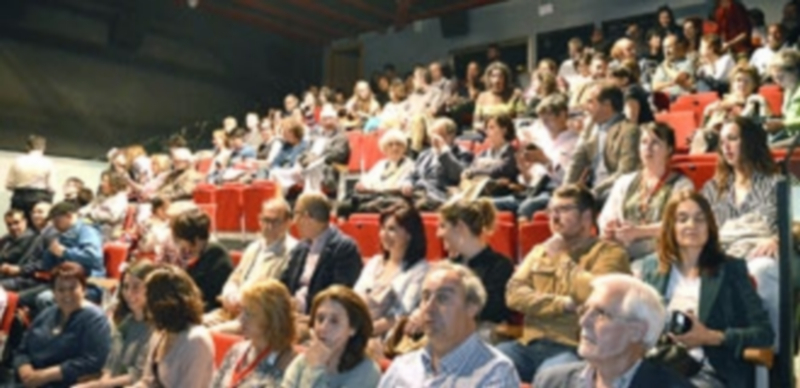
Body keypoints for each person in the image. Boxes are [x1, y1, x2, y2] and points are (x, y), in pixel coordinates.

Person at [639, 191, 774, 388]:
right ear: (670, 226)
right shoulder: (652, 267)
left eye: (699, 219)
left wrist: (710, 337)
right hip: (658, 365)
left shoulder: (730, 270)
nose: (691, 226)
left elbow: (764, 333)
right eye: (682, 219)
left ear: (709, 226)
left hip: (709, 372)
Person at [499, 185, 630, 383]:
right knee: (485, 363)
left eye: (564, 210)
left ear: (586, 216)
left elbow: (595, 294)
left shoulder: (610, 253)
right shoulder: (540, 251)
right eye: (551, 210)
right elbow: (513, 294)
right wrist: (563, 304)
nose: (554, 217)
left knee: (551, 377)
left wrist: (561, 259)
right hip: (528, 345)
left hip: (574, 347)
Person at [533, 274, 693, 388]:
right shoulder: (550, 381)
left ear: (636, 331)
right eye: (584, 310)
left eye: (601, 314)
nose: (583, 321)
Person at [701, 117, 780, 344]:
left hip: (770, 253)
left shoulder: (780, 181)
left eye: (733, 139)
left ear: (750, 142)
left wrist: (778, 238)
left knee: (760, 270)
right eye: (722, 141)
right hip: (726, 254)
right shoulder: (713, 188)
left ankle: (772, 351)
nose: (725, 146)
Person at [379, 262, 521, 387]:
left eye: (442, 298)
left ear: (472, 307)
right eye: (425, 297)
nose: (429, 307)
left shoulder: (495, 372)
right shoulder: (402, 367)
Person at [599, 123, 693, 261]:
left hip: (661, 255)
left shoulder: (682, 185)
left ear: (669, 149)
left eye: (655, 143)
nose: (648, 148)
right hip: (622, 252)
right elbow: (606, 216)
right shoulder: (624, 182)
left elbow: (681, 224)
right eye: (644, 142)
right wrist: (610, 227)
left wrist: (638, 232)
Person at [205, 198, 298, 333]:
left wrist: (241, 300)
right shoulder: (254, 247)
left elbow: (271, 293)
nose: (269, 226)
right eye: (266, 220)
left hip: (256, 317)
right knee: (190, 326)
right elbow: (235, 277)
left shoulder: (292, 251)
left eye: (275, 221)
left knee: (207, 334)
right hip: (231, 310)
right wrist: (229, 294)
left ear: (288, 222)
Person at [13, 262, 111, 387]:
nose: (67, 294)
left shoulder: (95, 320)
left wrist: (46, 376)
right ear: (53, 292)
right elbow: (22, 349)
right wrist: (24, 369)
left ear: (84, 289)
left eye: (72, 288)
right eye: (61, 289)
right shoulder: (47, 313)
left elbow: (92, 362)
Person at [494, 94, 579, 220]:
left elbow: (569, 180)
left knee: (527, 207)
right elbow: (530, 181)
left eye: (549, 117)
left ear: (562, 115)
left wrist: (545, 161)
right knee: (490, 204)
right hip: (532, 191)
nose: (545, 123)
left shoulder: (575, 143)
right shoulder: (542, 141)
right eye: (542, 119)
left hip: (555, 192)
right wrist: (523, 170)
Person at [74, 261, 157, 388]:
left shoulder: (155, 328)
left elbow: (138, 375)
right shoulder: (125, 321)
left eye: (136, 287)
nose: (129, 293)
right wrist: (102, 381)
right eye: (126, 286)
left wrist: (96, 385)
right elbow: (111, 364)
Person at [354, 201, 429, 341]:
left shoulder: (420, 269)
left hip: (385, 337)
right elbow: (354, 298)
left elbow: (402, 314)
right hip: (357, 328)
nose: (384, 234)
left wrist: (367, 330)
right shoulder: (374, 262)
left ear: (409, 234)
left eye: (392, 229)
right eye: (382, 228)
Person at [434, 198, 513, 329]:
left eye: (443, 226)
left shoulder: (499, 266)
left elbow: (489, 311)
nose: (438, 234)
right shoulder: (446, 266)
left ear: (460, 227)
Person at [132, 266, 215, 388]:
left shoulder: (196, 342)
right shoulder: (160, 334)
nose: (145, 305)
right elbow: (148, 382)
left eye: (149, 299)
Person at [281, 192, 362, 316]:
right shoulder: (300, 248)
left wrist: (303, 306)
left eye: (296, 214)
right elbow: (284, 284)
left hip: (321, 319)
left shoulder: (344, 249)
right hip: (292, 316)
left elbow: (340, 295)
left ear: (307, 217)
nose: (294, 222)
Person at [283, 285, 380, 388]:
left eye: (334, 321)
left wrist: (315, 370)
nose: (323, 328)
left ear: (353, 328)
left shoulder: (366, 372)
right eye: (320, 319)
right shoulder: (302, 361)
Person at [565, 82, 641, 204]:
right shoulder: (591, 129)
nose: (585, 106)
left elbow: (626, 172)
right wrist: (564, 191)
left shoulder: (629, 131)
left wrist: (594, 191)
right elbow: (577, 162)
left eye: (590, 102)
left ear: (607, 105)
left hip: (614, 190)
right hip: (593, 190)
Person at [213, 280, 299, 387]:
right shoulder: (236, 350)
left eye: (249, 314)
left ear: (271, 319)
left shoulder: (288, 363)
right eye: (242, 310)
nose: (241, 319)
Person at [694, 65, 772, 152]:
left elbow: (766, 125)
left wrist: (760, 103)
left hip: (744, 143)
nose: (742, 84)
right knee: (702, 135)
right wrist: (708, 112)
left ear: (754, 85)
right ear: (732, 84)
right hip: (719, 141)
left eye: (746, 81)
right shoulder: (723, 104)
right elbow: (708, 127)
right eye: (738, 80)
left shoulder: (757, 102)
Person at [400, 117, 473, 211]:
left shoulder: (463, 154)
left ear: (451, 136)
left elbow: (459, 176)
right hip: (416, 192)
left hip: (437, 196)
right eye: (433, 134)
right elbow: (412, 175)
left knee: (417, 205)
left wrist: (443, 151)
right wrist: (407, 182)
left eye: (440, 135)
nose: (434, 138)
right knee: (382, 199)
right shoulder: (425, 154)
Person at [338, 129, 414, 216]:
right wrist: (361, 185)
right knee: (344, 206)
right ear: (385, 149)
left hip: (391, 199)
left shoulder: (409, 165)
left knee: (368, 207)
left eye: (398, 144)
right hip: (372, 196)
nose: (394, 148)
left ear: (404, 148)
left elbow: (400, 188)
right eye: (390, 145)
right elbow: (367, 182)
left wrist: (374, 189)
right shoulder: (381, 164)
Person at [171, 208, 233, 312]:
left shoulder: (216, 256)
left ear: (195, 239)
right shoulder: (195, 254)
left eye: (180, 239)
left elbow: (213, 298)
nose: (179, 244)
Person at [297, 104, 351, 195]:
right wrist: (303, 159)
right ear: (321, 121)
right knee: (297, 166)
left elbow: (338, 154)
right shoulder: (317, 136)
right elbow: (307, 151)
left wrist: (317, 158)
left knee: (313, 167)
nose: (327, 122)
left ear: (336, 120)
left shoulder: (341, 136)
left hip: (330, 166)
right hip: (312, 162)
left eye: (330, 119)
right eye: (325, 119)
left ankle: (312, 197)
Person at [461, 115, 520, 198]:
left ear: (504, 130)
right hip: (479, 191)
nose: (487, 132)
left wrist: (473, 172)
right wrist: (494, 164)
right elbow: (471, 168)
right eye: (487, 128)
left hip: (500, 194)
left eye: (492, 128)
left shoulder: (512, 153)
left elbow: (498, 171)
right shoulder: (484, 153)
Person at [5, 135, 55, 225]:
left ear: (27, 147)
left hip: (20, 197)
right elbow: (51, 187)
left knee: (18, 225)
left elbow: (9, 185)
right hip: (40, 198)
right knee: (38, 226)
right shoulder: (47, 162)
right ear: (43, 147)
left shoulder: (17, 161)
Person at [472, 62, 524, 136]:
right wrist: (485, 127)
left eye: (500, 76)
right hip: (486, 135)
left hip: (509, 135)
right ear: (489, 78)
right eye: (493, 76)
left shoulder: (515, 94)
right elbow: (476, 122)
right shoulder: (482, 96)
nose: (497, 80)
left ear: (505, 78)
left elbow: (521, 120)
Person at [80, 170, 129, 241]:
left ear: (113, 184)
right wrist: (78, 213)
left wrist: (93, 214)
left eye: (105, 181)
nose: (101, 184)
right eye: (101, 181)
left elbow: (113, 217)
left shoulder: (120, 199)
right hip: (94, 226)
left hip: (108, 231)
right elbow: (89, 207)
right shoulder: (102, 196)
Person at [765, 49, 800, 143]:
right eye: (775, 78)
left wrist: (784, 124)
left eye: (780, 77)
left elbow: (788, 122)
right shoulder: (788, 91)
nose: (778, 82)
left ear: (795, 71)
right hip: (792, 136)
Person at [652, 34, 696, 100]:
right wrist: (669, 83)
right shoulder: (661, 66)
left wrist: (666, 67)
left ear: (677, 47)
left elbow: (679, 79)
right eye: (664, 48)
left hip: (681, 99)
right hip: (664, 100)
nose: (666, 51)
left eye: (669, 47)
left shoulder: (687, 63)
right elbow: (655, 86)